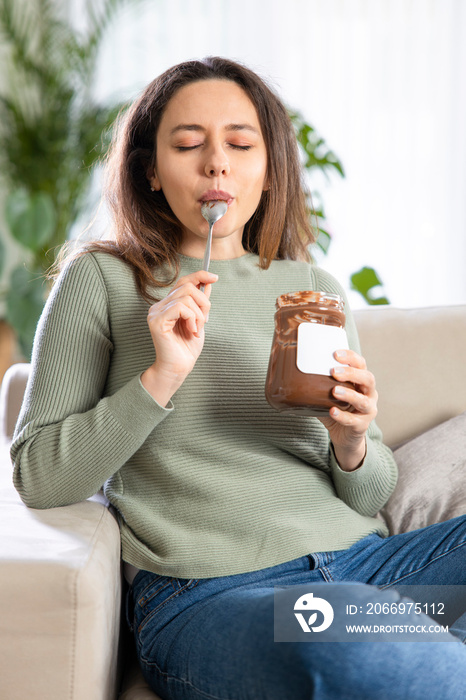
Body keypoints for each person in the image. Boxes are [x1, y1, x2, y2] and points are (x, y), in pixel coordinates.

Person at [11, 56, 466, 700]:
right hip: (222, 594)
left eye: (241, 144)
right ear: (150, 170)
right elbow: (39, 475)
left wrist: (353, 441)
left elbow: (369, 496)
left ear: (267, 167)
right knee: (356, 646)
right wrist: (159, 377)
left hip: (369, 568)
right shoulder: (105, 280)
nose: (216, 163)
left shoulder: (310, 287)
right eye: (188, 143)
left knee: (372, 633)